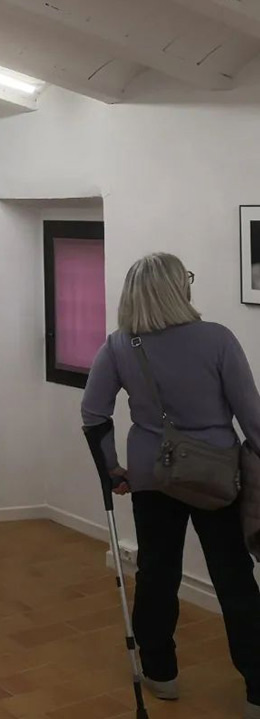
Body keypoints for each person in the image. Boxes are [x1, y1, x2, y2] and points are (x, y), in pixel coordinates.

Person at [82, 253, 260, 718]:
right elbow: (252, 416)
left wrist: (111, 468)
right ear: (177, 288)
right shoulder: (217, 339)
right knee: (234, 579)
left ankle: (162, 674)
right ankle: (258, 688)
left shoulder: (120, 344)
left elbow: (93, 412)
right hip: (216, 475)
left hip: (151, 475)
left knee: (157, 573)